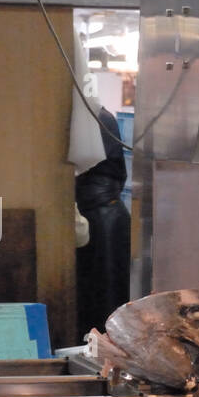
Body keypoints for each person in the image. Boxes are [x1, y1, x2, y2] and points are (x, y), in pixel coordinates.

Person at [75, 106, 132, 341]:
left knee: (104, 308)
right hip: (102, 214)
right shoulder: (92, 112)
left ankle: (103, 365)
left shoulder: (90, 115)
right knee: (98, 303)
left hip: (102, 217)